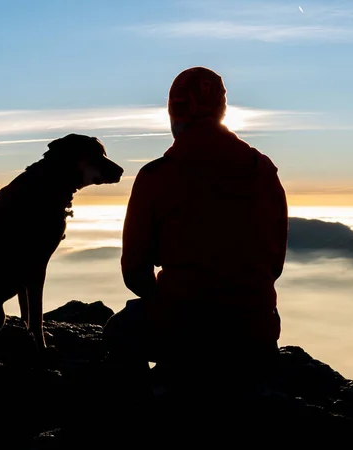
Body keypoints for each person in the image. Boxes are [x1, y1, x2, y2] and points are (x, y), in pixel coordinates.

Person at [103, 66, 289, 388]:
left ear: (174, 114)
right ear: (222, 111)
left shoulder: (156, 177)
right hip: (255, 330)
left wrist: (171, 299)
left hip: (183, 327)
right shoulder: (264, 172)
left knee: (118, 331)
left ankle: (140, 411)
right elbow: (274, 265)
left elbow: (135, 271)